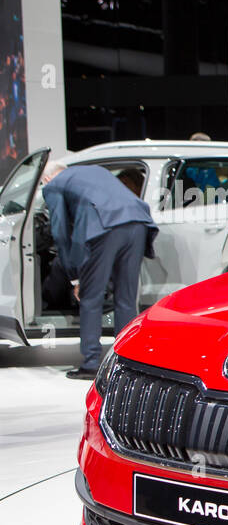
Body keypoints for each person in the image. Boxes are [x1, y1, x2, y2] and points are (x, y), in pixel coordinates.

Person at [43, 163, 158, 380]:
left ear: (47, 179)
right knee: (126, 299)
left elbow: (59, 232)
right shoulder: (93, 171)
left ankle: (91, 364)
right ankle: (126, 364)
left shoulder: (53, 185)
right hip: (139, 222)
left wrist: (75, 277)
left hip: (105, 227)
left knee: (90, 297)